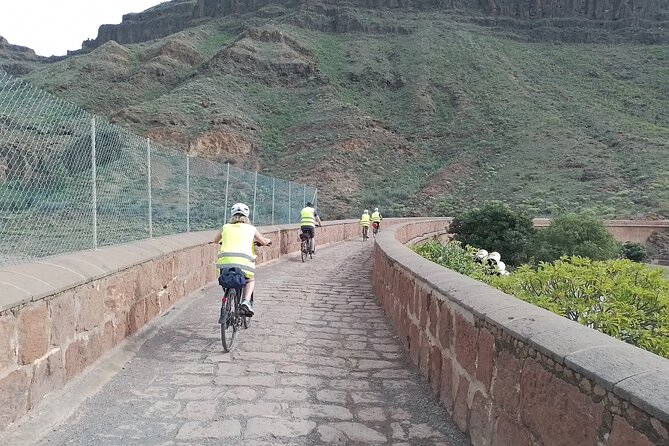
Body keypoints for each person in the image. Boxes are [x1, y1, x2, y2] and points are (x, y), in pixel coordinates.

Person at [212, 203, 271, 316]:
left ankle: (228, 297)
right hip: (244, 265)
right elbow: (263, 241)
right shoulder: (251, 228)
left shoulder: (225, 227)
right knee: (250, 280)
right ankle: (245, 302)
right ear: (247, 216)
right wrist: (267, 241)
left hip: (225, 265)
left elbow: (215, 240)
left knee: (228, 280)